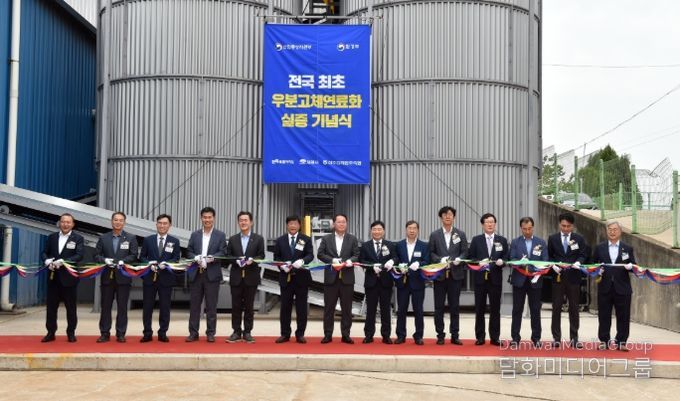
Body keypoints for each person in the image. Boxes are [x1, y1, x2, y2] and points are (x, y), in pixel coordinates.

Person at [94, 212, 139, 343]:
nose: (118, 222)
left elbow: (134, 255)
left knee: (122, 307)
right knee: (105, 307)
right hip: (107, 278)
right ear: (111, 221)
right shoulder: (103, 238)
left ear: (124, 222)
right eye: (115, 220)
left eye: (120, 220)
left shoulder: (131, 238)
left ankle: (121, 333)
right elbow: (96, 255)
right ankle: (104, 333)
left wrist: (123, 261)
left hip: (123, 278)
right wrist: (104, 260)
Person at [592, 221, 636, 352]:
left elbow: (634, 266)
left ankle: (621, 342)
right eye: (610, 229)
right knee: (604, 315)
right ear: (607, 231)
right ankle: (604, 341)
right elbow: (592, 265)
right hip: (605, 286)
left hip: (622, 288)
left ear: (620, 231)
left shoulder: (627, 248)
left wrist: (630, 267)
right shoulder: (599, 248)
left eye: (615, 229)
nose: (612, 232)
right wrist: (597, 270)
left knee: (623, 316)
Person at [41, 213, 85, 343]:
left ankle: (71, 333)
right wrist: (46, 260)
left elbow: (79, 255)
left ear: (73, 224)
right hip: (53, 277)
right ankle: (50, 332)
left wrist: (64, 261)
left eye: (68, 222)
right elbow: (44, 252)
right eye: (63, 222)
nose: (65, 224)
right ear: (59, 223)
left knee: (71, 308)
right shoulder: (52, 237)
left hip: (69, 278)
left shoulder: (78, 238)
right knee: (51, 307)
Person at [186, 206, 227, 343]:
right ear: (201, 218)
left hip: (212, 274)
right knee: (194, 306)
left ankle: (210, 333)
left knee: (211, 306)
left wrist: (213, 258)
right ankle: (193, 333)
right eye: (205, 217)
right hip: (196, 274)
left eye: (209, 217)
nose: (207, 220)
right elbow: (189, 251)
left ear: (213, 218)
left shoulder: (220, 235)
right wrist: (195, 257)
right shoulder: (195, 235)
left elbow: (223, 252)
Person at [317, 213, 360, 344]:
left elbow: (357, 254)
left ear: (346, 224)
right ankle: (327, 334)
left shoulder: (352, 239)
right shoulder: (326, 238)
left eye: (343, 222)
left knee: (347, 309)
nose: (341, 224)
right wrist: (332, 260)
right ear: (334, 224)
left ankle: (345, 334)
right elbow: (320, 254)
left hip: (347, 279)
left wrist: (350, 260)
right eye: (339, 222)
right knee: (329, 308)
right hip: (331, 279)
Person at [547, 212, 588, 348]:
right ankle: (556, 338)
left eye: (568, 226)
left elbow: (583, 254)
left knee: (574, 308)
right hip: (558, 277)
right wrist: (553, 265)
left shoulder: (579, 239)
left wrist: (578, 262)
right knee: (556, 308)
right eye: (563, 226)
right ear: (559, 224)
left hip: (573, 277)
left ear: (572, 226)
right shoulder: (552, 238)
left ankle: (574, 338)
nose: (565, 229)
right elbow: (549, 255)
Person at [428, 206, 468, 345]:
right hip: (440, 276)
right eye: (445, 214)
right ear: (441, 217)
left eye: (450, 214)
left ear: (454, 217)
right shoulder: (434, 235)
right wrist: (440, 259)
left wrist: (460, 259)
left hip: (455, 275)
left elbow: (465, 252)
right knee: (439, 307)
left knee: (454, 307)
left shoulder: (460, 234)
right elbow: (430, 253)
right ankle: (440, 335)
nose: (447, 216)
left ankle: (455, 335)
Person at [468, 213, 509, 346]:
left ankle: (495, 337)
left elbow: (506, 257)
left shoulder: (502, 240)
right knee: (479, 308)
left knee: (495, 309)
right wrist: (478, 262)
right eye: (487, 222)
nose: (490, 224)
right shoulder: (476, 240)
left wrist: (502, 262)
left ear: (495, 224)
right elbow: (470, 258)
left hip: (495, 279)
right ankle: (480, 337)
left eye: (492, 222)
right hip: (480, 279)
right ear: (482, 225)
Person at [139, 214, 181, 343]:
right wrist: (149, 264)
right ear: (156, 224)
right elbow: (142, 257)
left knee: (165, 307)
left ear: (169, 225)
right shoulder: (148, 240)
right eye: (160, 223)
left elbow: (176, 258)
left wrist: (167, 264)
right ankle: (147, 333)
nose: (162, 225)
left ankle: (163, 332)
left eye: (165, 223)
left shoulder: (174, 241)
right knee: (147, 307)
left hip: (166, 278)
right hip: (149, 278)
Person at [272, 215, 314, 344]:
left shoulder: (305, 239)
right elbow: (276, 257)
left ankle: (300, 334)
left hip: (302, 278)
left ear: (299, 225)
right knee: (285, 308)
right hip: (286, 278)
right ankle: (285, 334)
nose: (293, 226)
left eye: (295, 223)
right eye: (290, 223)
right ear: (287, 225)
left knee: (301, 308)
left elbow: (310, 255)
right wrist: (282, 266)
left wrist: (303, 261)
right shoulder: (280, 240)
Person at [226, 211, 265, 343]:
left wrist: (252, 260)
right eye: (241, 220)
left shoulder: (258, 239)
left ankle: (247, 332)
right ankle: (236, 331)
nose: (243, 222)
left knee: (249, 306)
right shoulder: (233, 239)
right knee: (235, 306)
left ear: (251, 222)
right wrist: (236, 260)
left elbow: (261, 256)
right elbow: (228, 256)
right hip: (236, 277)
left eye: (246, 220)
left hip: (251, 277)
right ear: (238, 222)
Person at [508, 217, 548, 347]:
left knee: (535, 310)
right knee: (517, 310)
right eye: (524, 229)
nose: (527, 231)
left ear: (533, 227)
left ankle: (536, 338)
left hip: (535, 280)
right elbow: (512, 259)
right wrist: (521, 262)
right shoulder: (515, 242)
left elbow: (545, 260)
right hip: (519, 280)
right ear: (521, 228)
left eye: (529, 228)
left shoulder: (541, 242)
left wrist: (533, 267)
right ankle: (515, 338)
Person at [359, 220, 397, 344]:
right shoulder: (365, 246)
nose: (377, 231)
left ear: (383, 231)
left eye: (379, 229)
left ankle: (386, 335)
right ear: (371, 231)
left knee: (386, 309)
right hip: (371, 282)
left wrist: (392, 261)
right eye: (374, 229)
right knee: (370, 309)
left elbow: (396, 257)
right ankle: (369, 335)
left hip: (386, 282)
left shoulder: (390, 245)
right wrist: (371, 267)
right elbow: (361, 261)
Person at [394, 220, 430, 345]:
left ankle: (418, 336)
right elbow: (396, 259)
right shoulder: (399, 245)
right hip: (403, 282)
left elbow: (427, 261)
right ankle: (401, 335)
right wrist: (399, 266)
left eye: (414, 228)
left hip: (418, 282)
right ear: (406, 230)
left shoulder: (423, 245)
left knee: (418, 310)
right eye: (410, 228)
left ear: (418, 230)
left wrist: (419, 263)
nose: (412, 230)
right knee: (401, 310)